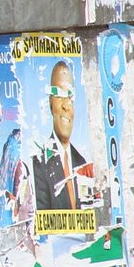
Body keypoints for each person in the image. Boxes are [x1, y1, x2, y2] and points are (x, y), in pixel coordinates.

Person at [31, 61, 89, 212]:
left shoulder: (81, 163)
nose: (66, 105)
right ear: (50, 103)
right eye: (59, 95)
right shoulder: (39, 163)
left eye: (70, 96)